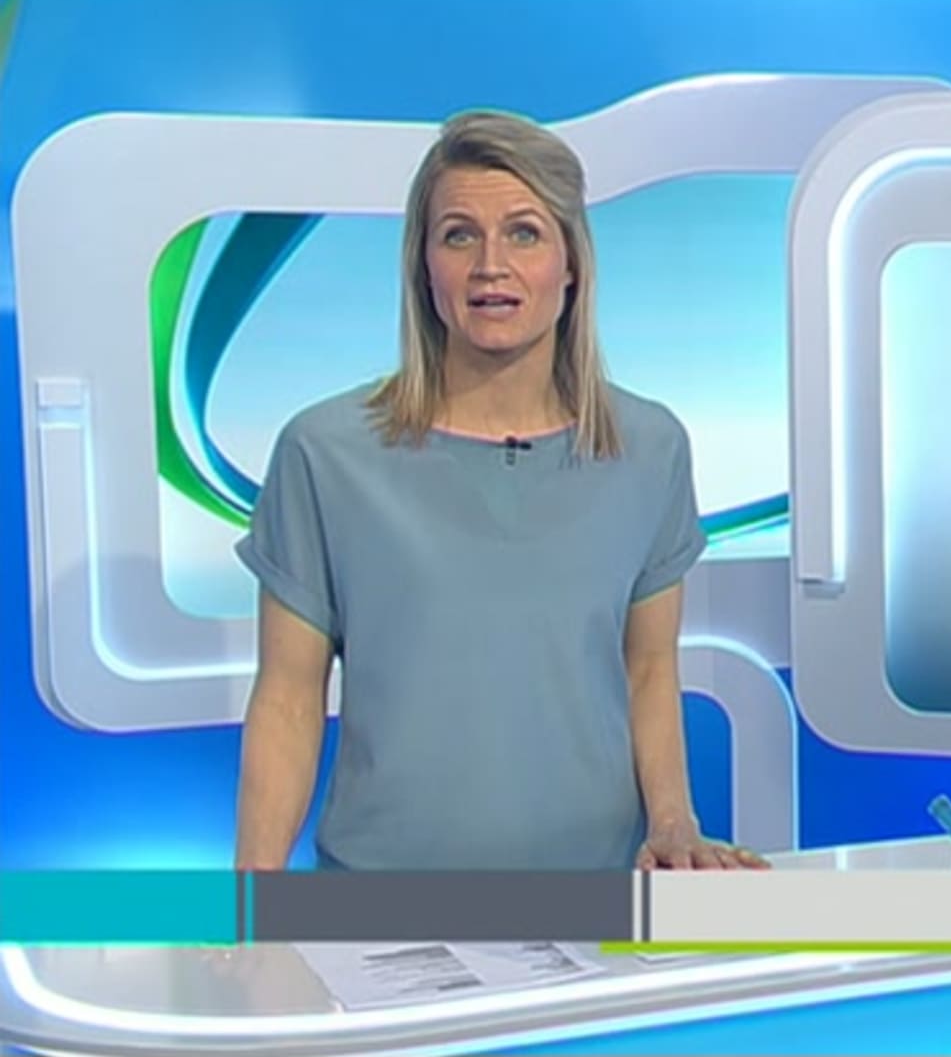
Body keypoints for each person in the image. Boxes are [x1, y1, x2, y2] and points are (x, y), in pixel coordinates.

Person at [232, 111, 769, 872]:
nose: (492, 265)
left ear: (571, 263)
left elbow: (649, 669)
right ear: (424, 267)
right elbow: (288, 698)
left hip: (594, 896)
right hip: (381, 902)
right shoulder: (324, 454)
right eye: (459, 236)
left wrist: (675, 822)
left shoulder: (649, 449)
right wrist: (251, 901)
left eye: (524, 232)